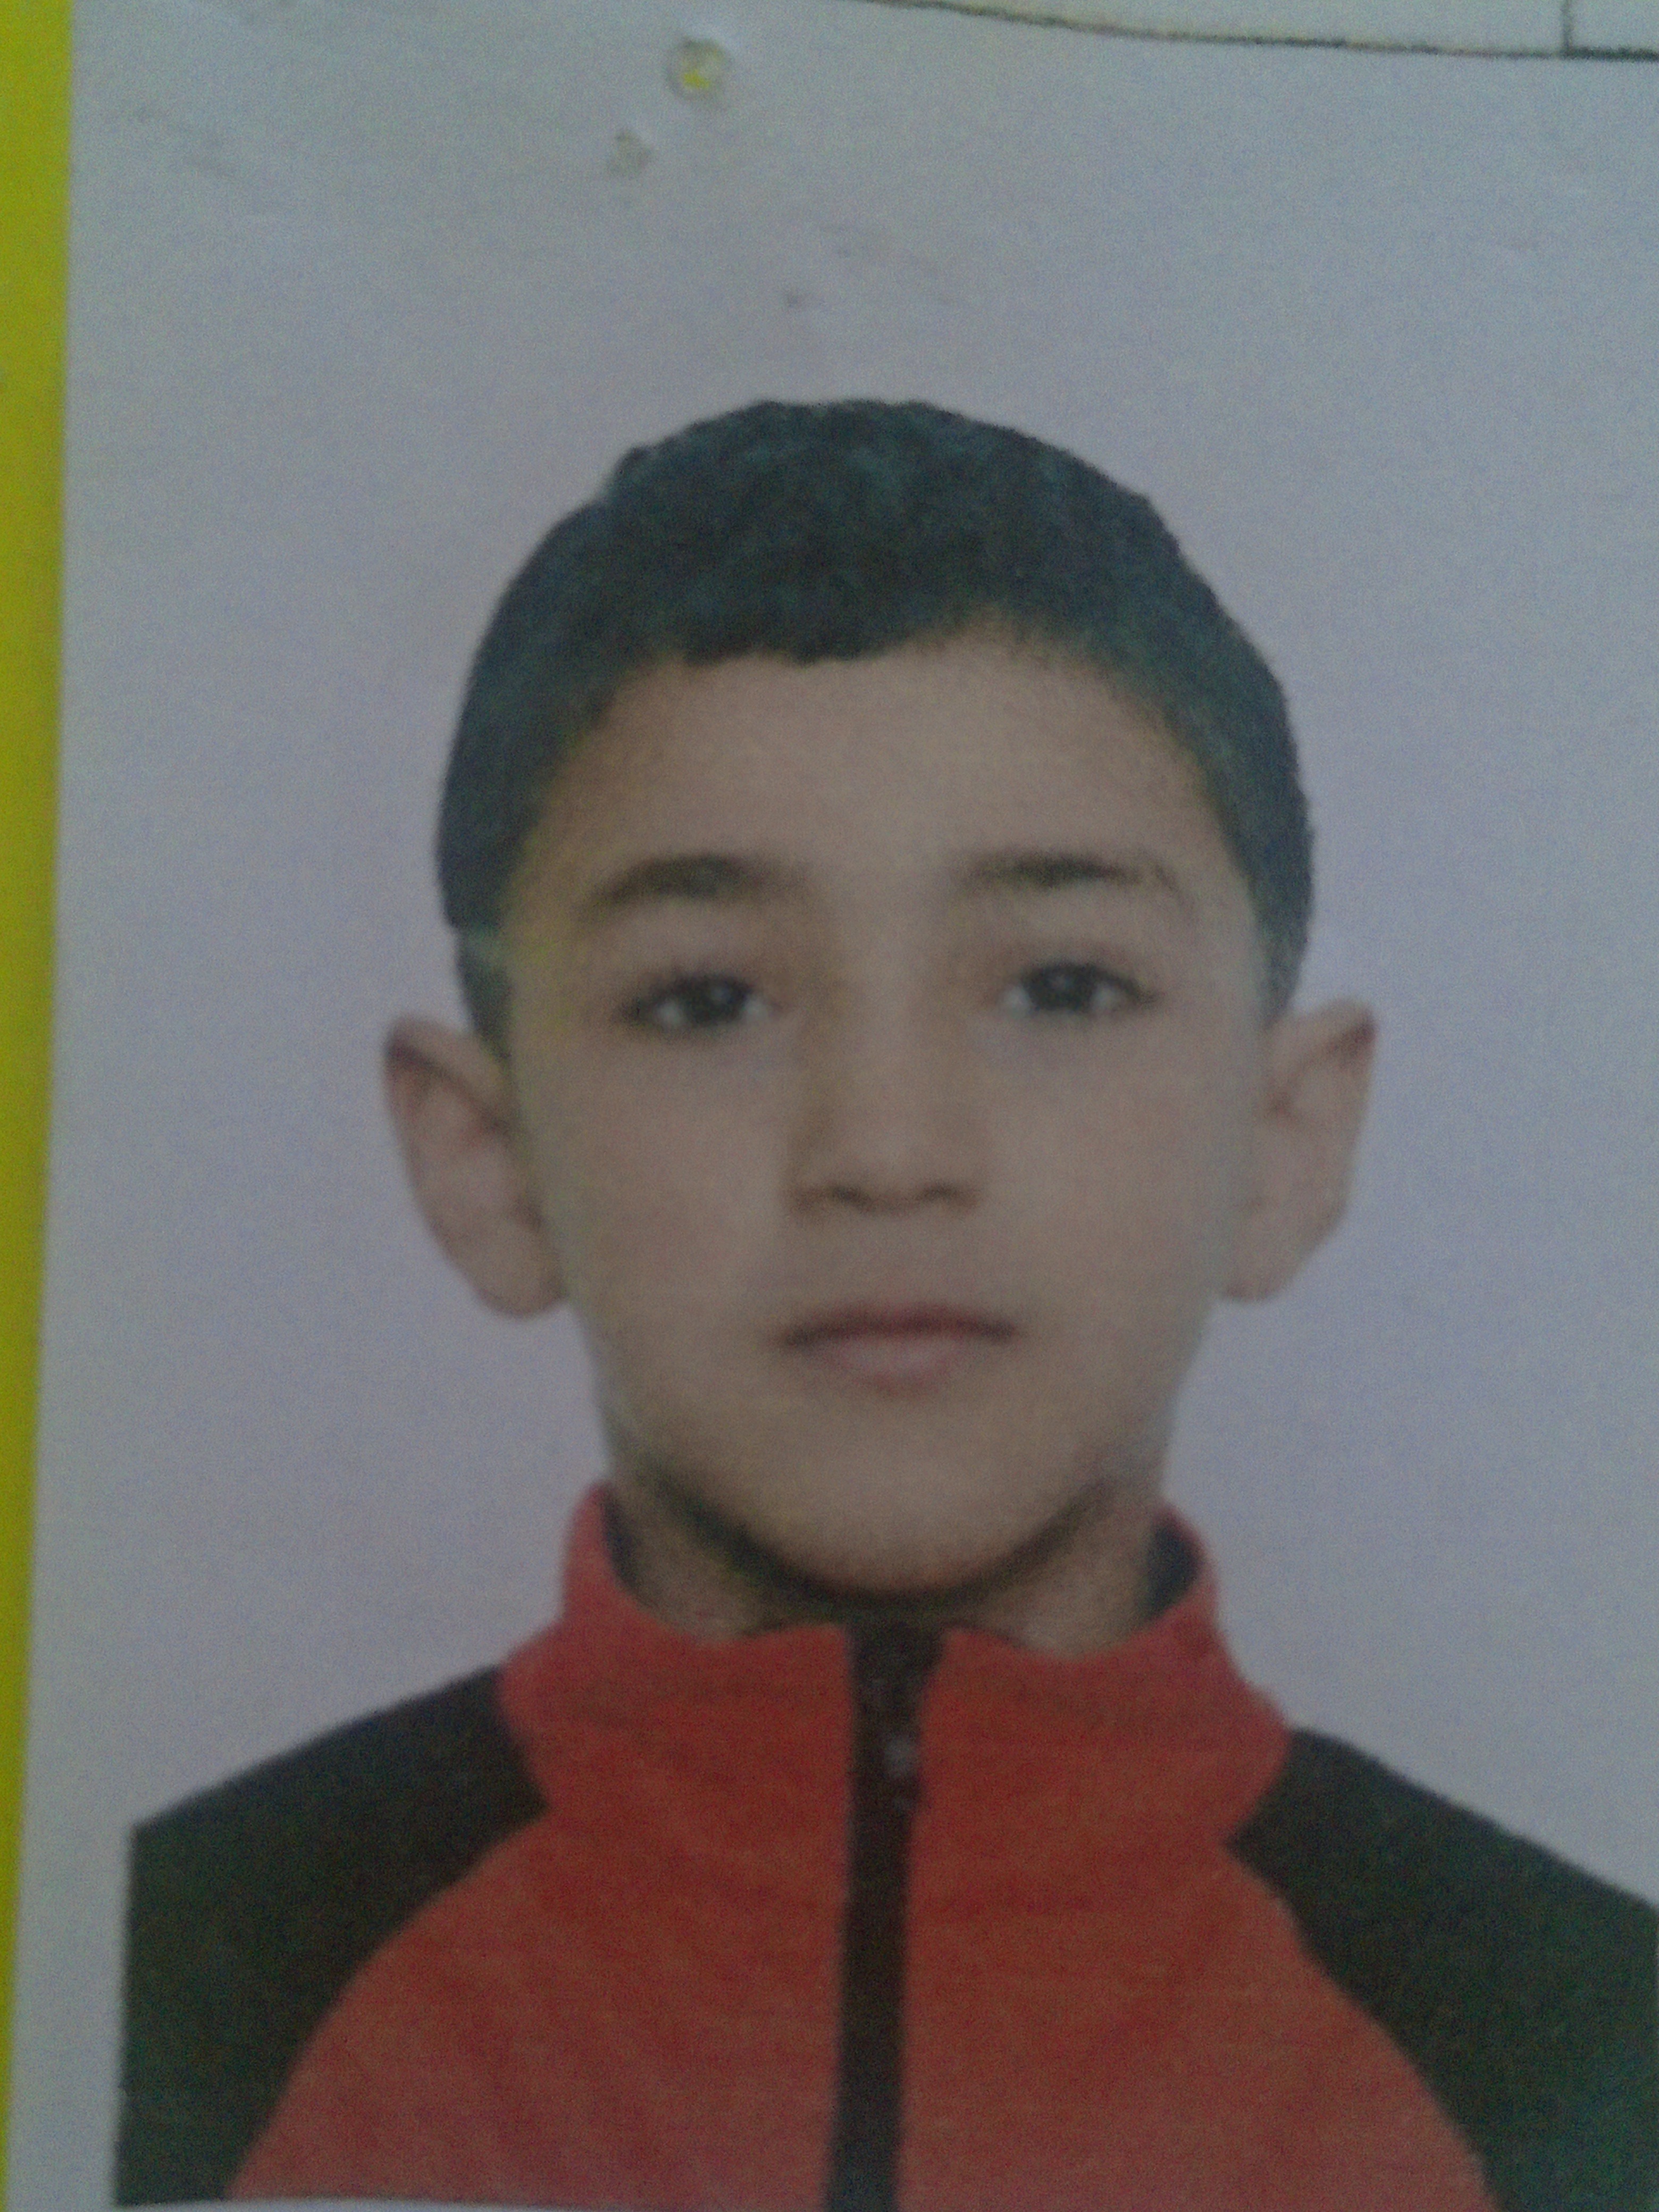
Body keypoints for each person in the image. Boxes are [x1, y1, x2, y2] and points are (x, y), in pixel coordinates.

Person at [117, 400, 1656, 2212]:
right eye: (707, 1001)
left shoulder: (1578, 2047)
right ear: (488, 1159)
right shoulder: (168, 1984)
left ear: (1285, 1140)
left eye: (1063, 988)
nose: (888, 1149)